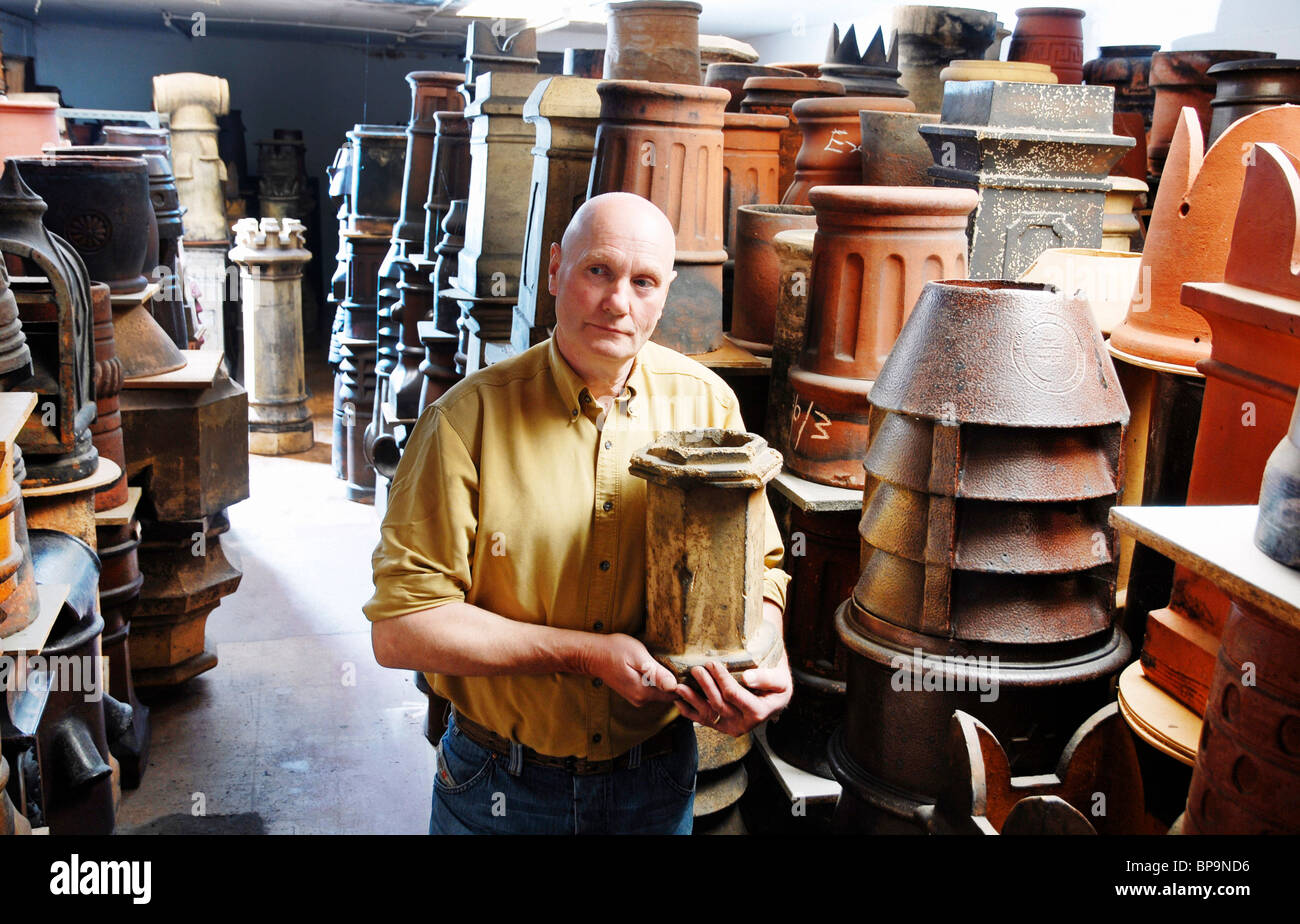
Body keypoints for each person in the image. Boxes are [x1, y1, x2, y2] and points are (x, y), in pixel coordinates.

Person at [365, 191, 792, 835]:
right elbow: (402, 629)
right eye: (599, 271)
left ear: (667, 293)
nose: (619, 301)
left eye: (643, 282)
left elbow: (759, 573)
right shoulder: (464, 421)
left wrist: (765, 656)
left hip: (653, 782)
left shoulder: (708, 408)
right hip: (498, 785)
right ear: (555, 268)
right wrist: (588, 655)